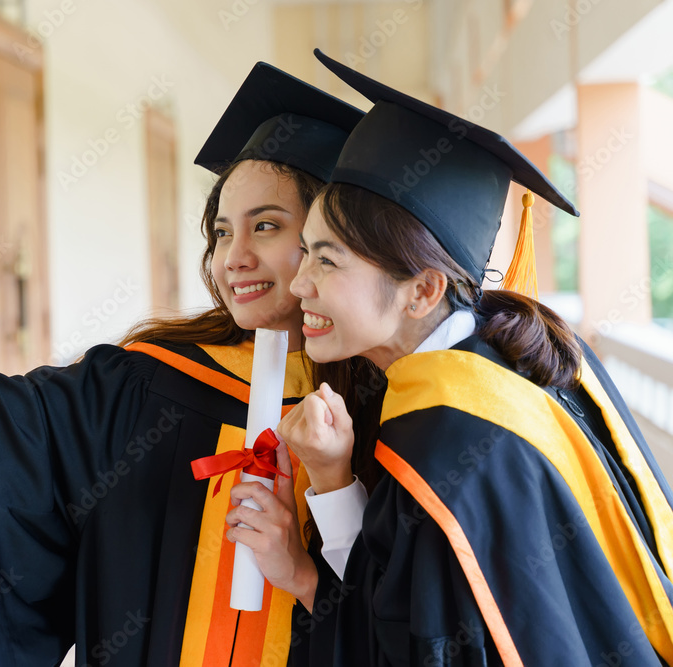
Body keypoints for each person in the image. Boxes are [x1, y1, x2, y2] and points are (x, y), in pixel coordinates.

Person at [0, 62, 365, 666]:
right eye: (220, 231)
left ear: (326, 238)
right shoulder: (148, 386)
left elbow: (407, 627)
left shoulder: (383, 411)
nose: (234, 257)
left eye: (265, 226)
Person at [244, 50, 673, 666]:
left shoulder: (447, 441)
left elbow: (406, 645)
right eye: (306, 252)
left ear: (423, 290)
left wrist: (310, 551)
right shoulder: (528, 358)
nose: (300, 284)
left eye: (329, 261)